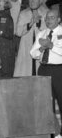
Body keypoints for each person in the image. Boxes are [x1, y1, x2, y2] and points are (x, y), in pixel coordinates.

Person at [30, 9, 62, 137]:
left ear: (59, 19)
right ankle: (54, 133)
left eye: (52, 17)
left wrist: (51, 46)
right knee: (47, 103)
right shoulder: (42, 33)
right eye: (47, 18)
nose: (48, 20)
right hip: (43, 69)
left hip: (59, 70)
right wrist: (41, 48)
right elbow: (32, 53)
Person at [14, 0, 48, 77]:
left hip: (40, 48)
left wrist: (39, 22)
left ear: (40, 1)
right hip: (26, 48)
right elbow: (18, 32)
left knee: (40, 73)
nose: (32, 2)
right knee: (26, 72)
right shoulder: (23, 13)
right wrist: (30, 23)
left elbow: (48, 31)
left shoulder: (46, 13)